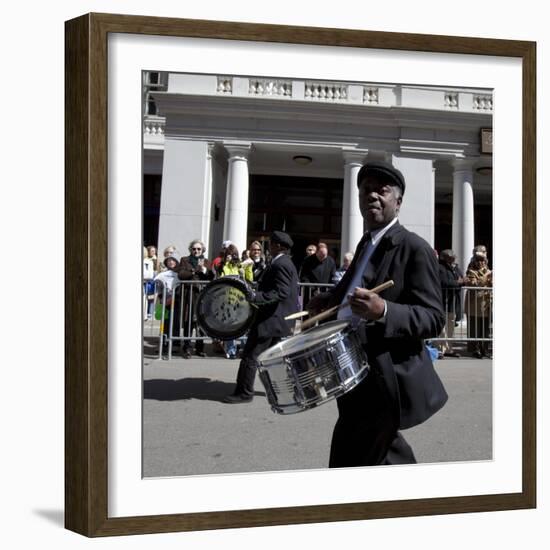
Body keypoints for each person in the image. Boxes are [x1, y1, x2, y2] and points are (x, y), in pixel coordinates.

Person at [307, 160, 447, 467]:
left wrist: (383, 310)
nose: (371, 196)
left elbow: (434, 318)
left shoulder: (414, 247)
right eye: (366, 190)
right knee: (375, 452)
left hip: (384, 378)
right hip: (352, 369)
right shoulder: (365, 243)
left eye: (381, 190)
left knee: (355, 452)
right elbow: (351, 290)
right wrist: (330, 298)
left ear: (398, 202)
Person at [224, 231, 299, 403]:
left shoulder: (282, 264)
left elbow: (281, 291)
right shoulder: (282, 262)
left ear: (279, 246)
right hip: (275, 319)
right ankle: (285, 392)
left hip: (271, 319)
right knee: (274, 360)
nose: (269, 247)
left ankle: (244, 393)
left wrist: (256, 298)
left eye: (272, 244)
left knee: (251, 355)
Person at [177, 239, 214, 358]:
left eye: (199, 249)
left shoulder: (207, 262)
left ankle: (200, 348)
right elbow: (181, 274)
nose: (196, 251)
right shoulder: (185, 260)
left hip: (203, 295)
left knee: (201, 322)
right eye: (194, 249)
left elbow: (212, 276)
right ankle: (187, 347)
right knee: (189, 322)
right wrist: (194, 270)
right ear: (190, 250)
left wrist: (204, 270)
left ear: (202, 250)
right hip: (190, 294)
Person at [217, 244, 254, 359]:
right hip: (227, 297)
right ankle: (231, 350)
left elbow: (250, 279)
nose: (231, 257)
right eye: (229, 254)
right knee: (230, 324)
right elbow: (224, 276)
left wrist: (248, 268)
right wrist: (227, 263)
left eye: (233, 255)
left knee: (243, 324)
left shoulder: (239, 265)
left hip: (240, 297)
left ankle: (243, 348)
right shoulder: (223, 265)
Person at [464, 250, 493, 358]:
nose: (481, 263)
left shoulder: (488, 271)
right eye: (479, 260)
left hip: (486, 304)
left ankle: (485, 349)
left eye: (483, 260)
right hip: (474, 304)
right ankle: (475, 350)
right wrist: (486, 278)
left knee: (485, 328)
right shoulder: (471, 271)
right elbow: (473, 283)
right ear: (475, 261)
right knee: (474, 327)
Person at [437, 249, 464, 358]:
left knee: (451, 326)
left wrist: (460, 282)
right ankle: (440, 350)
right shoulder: (440, 267)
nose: (454, 257)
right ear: (445, 257)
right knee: (442, 327)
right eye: (451, 256)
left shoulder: (455, 267)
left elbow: (462, 278)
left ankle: (449, 349)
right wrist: (457, 283)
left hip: (453, 301)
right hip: (443, 301)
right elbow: (444, 282)